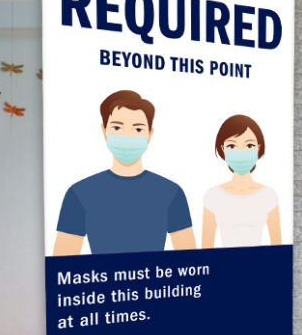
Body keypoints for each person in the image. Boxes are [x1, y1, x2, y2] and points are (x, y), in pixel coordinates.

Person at [52, 89, 196, 255]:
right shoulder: (79, 193)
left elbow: (189, 261)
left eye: (138, 129)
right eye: (117, 127)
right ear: (104, 131)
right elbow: (63, 264)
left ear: (149, 135)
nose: (127, 136)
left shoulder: (171, 193)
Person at [200, 114, 283, 248]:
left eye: (249, 145)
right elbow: (206, 248)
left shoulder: (269, 195)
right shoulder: (213, 196)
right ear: (223, 149)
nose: (241, 151)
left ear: (258, 147)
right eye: (232, 146)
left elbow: (277, 247)